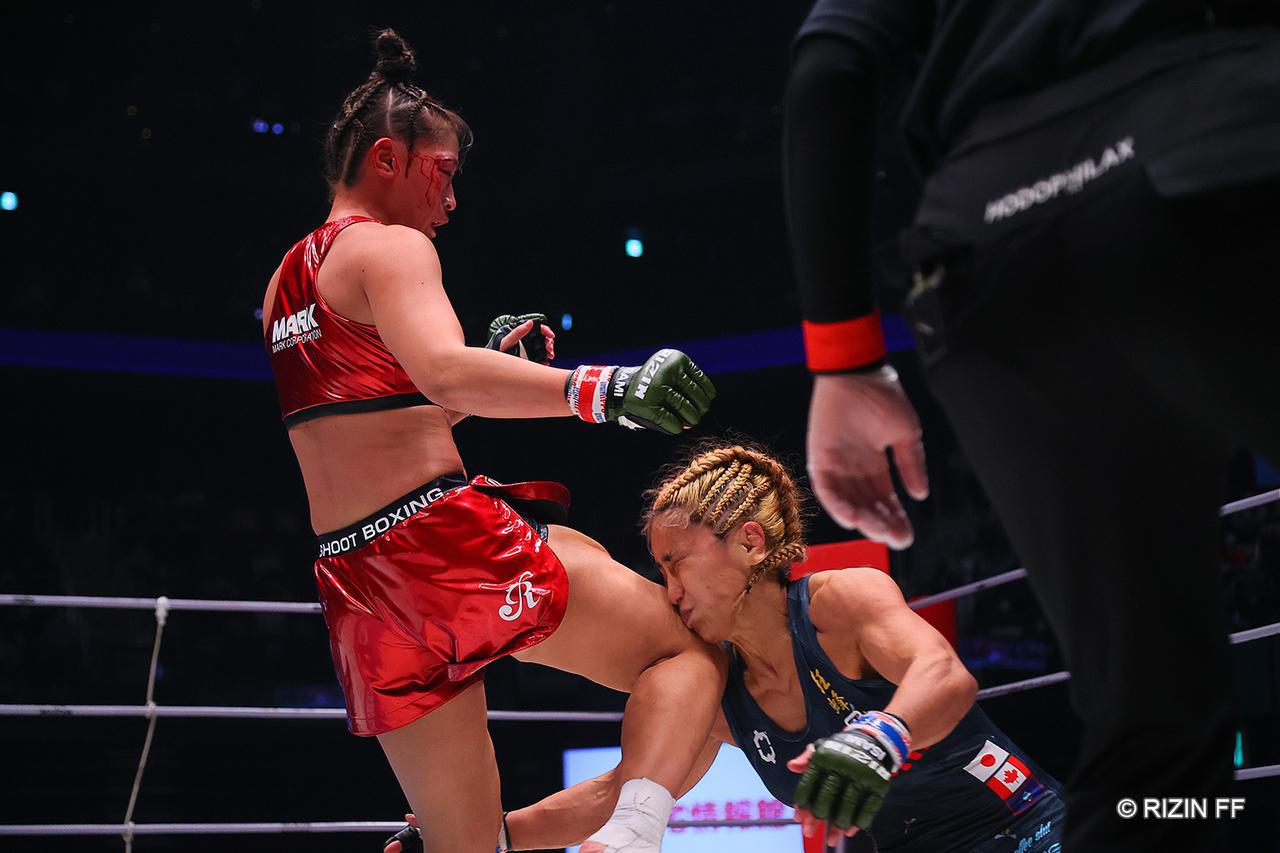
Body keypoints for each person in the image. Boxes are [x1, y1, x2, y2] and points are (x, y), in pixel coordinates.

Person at [784, 2, 1280, 849]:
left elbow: (829, 69)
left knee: (1152, 731)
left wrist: (844, 359)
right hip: (1210, 156)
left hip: (990, 252)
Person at [263, 29, 725, 853]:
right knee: (689, 655)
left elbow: (384, 422)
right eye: (442, 173)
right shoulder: (391, 246)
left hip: (356, 581)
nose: (450, 201)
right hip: (438, 541)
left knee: (468, 845)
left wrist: (488, 370)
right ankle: (632, 834)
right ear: (387, 158)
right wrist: (604, 389)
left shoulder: (284, 281)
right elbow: (444, 372)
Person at [390, 444, 1066, 852]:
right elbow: (620, 790)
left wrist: (878, 737)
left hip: (1027, 824)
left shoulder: (839, 603)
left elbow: (944, 674)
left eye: (677, 562)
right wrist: (492, 836)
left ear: (748, 541)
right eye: (660, 571)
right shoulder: (721, 694)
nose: (670, 590)